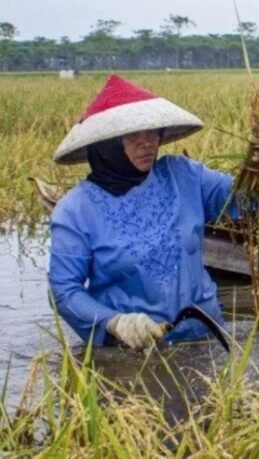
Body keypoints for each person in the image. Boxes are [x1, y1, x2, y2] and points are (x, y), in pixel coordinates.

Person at [48, 74, 238, 351]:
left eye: (152, 132)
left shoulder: (184, 176)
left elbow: (244, 199)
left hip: (206, 339)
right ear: (106, 145)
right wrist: (114, 322)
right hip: (134, 349)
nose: (147, 142)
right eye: (132, 135)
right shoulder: (76, 210)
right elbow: (64, 292)